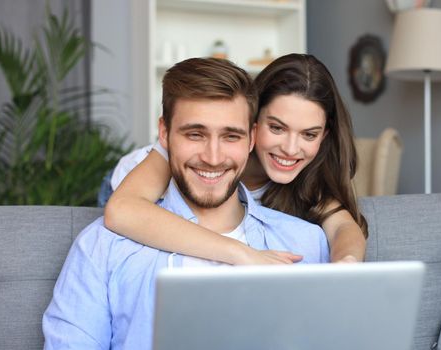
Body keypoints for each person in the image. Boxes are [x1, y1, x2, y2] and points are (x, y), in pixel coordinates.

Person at [42, 57, 329, 349]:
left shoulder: (305, 242)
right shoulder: (101, 248)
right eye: (195, 134)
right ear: (164, 133)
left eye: (231, 136)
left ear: (252, 138)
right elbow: (121, 210)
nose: (213, 157)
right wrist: (242, 254)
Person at [103, 53, 367, 264]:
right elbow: (122, 211)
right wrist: (241, 253)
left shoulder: (306, 180)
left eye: (309, 134)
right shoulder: (189, 155)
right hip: (124, 186)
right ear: (252, 122)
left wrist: (347, 263)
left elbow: (344, 228)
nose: (290, 148)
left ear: (324, 136)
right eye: (276, 128)